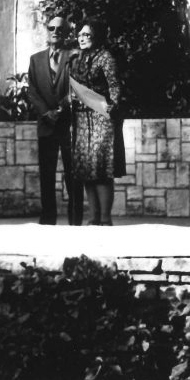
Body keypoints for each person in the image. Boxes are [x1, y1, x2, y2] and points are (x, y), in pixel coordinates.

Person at [69, 18, 125, 226]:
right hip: (82, 119)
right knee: (87, 170)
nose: (82, 38)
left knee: (101, 169)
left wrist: (113, 105)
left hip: (101, 117)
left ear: (97, 36)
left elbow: (114, 86)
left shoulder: (105, 58)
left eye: (87, 35)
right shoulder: (76, 60)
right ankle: (93, 217)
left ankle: (105, 218)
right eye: (80, 35)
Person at [27, 15, 82, 225]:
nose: (55, 32)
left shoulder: (74, 56)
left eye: (60, 29)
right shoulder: (35, 59)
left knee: (73, 173)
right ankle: (48, 216)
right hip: (46, 124)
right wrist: (46, 113)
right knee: (47, 173)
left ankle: (75, 218)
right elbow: (32, 91)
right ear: (46, 29)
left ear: (67, 32)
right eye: (51, 28)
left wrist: (62, 107)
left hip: (68, 123)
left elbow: (78, 85)